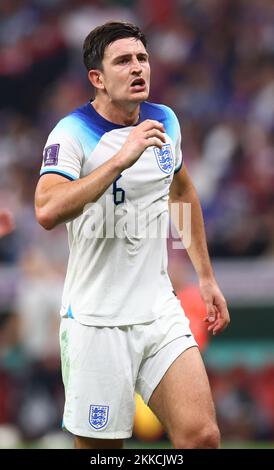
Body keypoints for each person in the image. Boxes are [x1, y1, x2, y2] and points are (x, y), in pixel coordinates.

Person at [35, 21, 230, 449]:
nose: (138, 67)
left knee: (202, 438)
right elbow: (47, 209)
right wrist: (119, 160)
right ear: (97, 79)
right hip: (96, 320)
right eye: (123, 61)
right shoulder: (71, 133)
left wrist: (206, 277)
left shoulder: (165, 121)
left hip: (159, 311)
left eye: (142, 58)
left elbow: (181, 190)